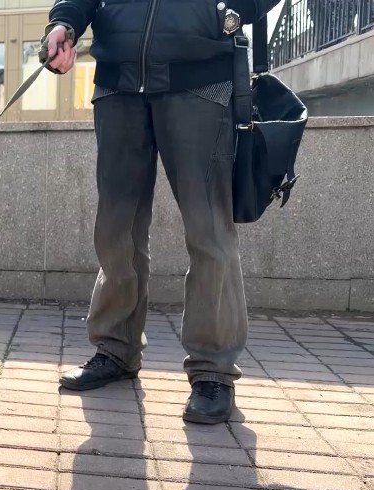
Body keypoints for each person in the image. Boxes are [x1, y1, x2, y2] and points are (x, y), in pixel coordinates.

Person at [45, 0, 279, 424]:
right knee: (116, 230)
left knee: (209, 231)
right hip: (118, 81)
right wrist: (64, 22)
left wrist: (224, 11)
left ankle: (213, 370)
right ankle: (116, 348)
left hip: (200, 80)